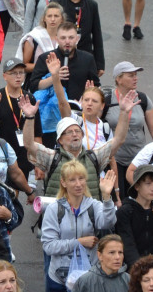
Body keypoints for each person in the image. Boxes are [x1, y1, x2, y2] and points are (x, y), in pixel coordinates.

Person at [22, 62, 128, 196]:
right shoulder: (52, 158)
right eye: (69, 132)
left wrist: (124, 112)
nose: (74, 134)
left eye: (78, 131)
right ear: (60, 140)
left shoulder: (94, 157)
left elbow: (119, 140)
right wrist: (30, 117)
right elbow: (29, 145)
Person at [40, 160, 117, 292]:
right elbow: (48, 246)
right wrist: (79, 242)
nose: (78, 184)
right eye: (72, 180)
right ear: (63, 182)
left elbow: (108, 222)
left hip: (88, 277)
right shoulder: (54, 209)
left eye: (81, 179)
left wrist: (107, 197)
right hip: (59, 278)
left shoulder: (94, 205)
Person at [104, 62, 153, 191]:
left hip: (139, 158)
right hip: (115, 160)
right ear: (118, 79)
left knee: (141, 196)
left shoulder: (143, 99)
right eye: (130, 75)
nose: (135, 78)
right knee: (119, 198)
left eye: (136, 75)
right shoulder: (107, 101)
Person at [28, 23, 101, 104]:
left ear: (77, 39)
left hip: (79, 108)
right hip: (52, 109)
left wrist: (86, 97)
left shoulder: (88, 59)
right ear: (57, 39)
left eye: (71, 37)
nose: (67, 41)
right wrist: (55, 77)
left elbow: (96, 87)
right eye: (63, 38)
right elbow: (33, 86)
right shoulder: (46, 58)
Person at [52, 0, 105, 75]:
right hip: (62, 54)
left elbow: (97, 35)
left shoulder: (91, 5)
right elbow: (51, 30)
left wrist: (100, 64)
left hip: (85, 55)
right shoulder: (57, 3)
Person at [18, 3, 65, 74]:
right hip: (38, 80)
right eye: (49, 16)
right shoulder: (33, 38)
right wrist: (46, 66)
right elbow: (24, 66)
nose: (52, 19)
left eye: (56, 16)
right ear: (44, 19)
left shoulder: (67, 38)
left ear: (62, 19)